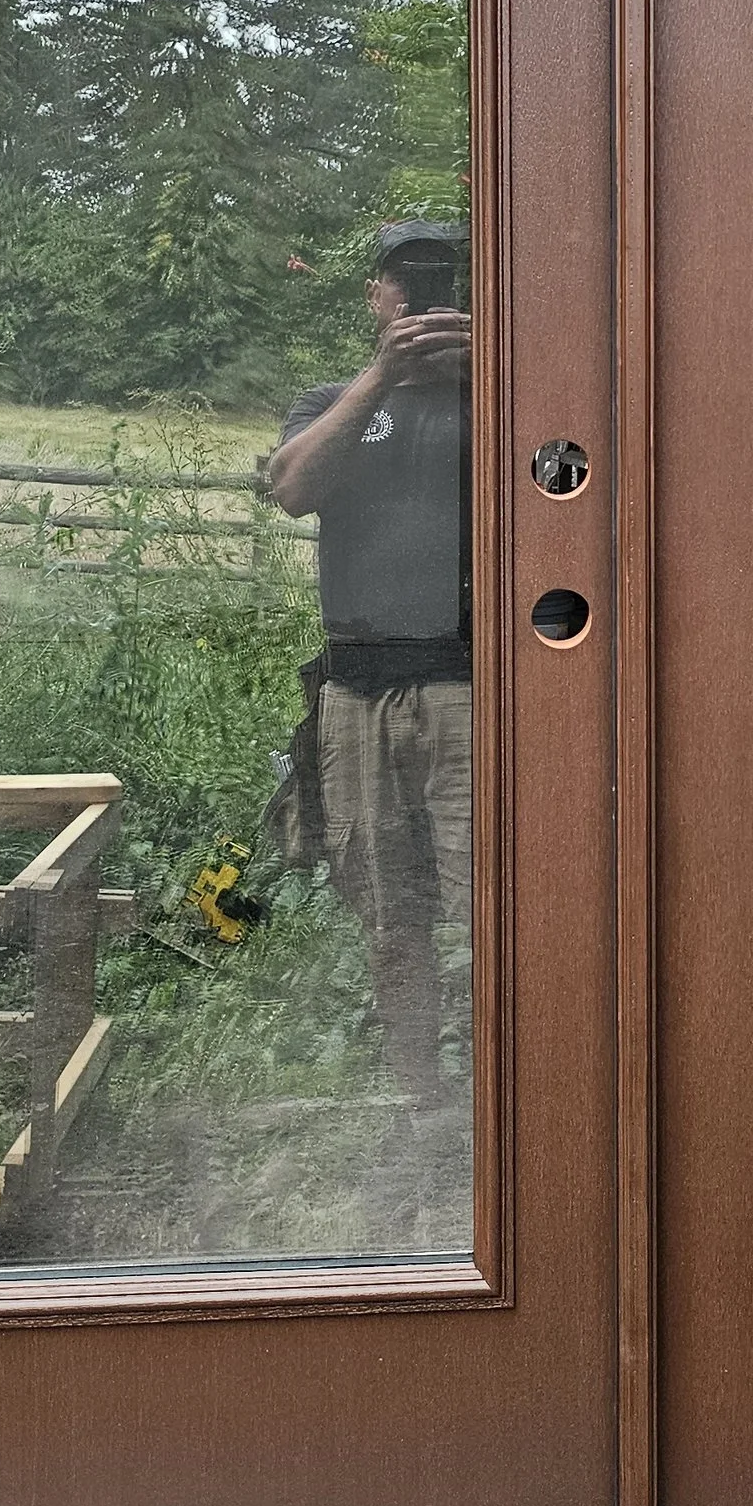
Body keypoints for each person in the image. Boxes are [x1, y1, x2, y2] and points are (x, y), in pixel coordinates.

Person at [264, 223, 471, 1109]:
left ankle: (525, 1093)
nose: (419, 294)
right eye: (403, 278)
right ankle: (421, 1099)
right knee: (390, 913)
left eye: (442, 277)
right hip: (357, 692)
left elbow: (571, 474)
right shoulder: (330, 399)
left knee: (506, 908)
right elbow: (293, 489)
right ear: (375, 295)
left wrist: (501, 372)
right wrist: (381, 376)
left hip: (482, 689)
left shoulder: (517, 391)